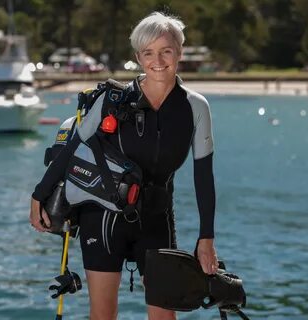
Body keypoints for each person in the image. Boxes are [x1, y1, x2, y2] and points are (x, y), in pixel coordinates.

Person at [30, 11, 218, 320]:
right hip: (103, 218)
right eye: (148, 53)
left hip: (157, 221)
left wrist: (206, 239)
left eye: (166, 51)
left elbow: (204, 177)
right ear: (138, 57)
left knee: (163, 317)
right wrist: (39, 195)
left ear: (179, 52)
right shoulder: (112, 100)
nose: (157, 60)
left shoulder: (195, 107)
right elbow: (72, 147)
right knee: (103, 315)